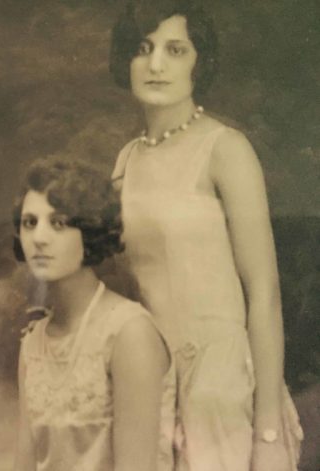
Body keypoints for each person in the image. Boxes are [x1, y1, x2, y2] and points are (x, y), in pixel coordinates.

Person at [109, 1, 304, 470]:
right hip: (154, 383)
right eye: (143, 48)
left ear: (200, 63)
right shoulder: (125, 161)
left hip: (223, 385)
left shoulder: (225, 149)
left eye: (176, 50)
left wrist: (269, 429)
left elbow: (265, 293)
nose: (156, 64)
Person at [12, 157, 175, 471]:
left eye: (58, 223)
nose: (39, 238)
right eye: (29, 222)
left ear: (90, 232)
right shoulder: (33, 343)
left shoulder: (129, 332)